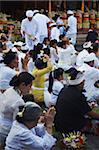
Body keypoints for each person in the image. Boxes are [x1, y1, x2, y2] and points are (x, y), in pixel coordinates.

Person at [54, 68, 99, 133]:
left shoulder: (64, 89)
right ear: (81, 83)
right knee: (95, 122)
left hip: (59, 124)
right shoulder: (78, 96)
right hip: (70, 127)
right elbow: (91, 114)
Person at [0, 72, 35, 148]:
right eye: (30, 86)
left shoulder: (10, 90)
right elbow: (17, 122)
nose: (30, 88)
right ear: (22, 84)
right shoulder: (18, 101)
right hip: (7, 128)